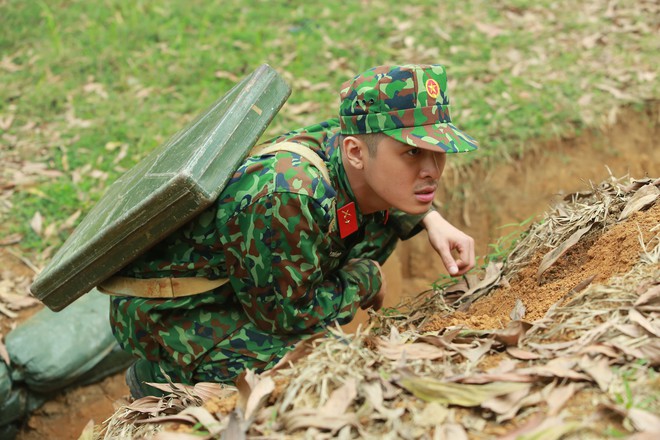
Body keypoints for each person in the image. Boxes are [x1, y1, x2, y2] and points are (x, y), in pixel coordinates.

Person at [107, 64, 478, 398]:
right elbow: (284, 316)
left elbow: (380, 174)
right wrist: (366, 278)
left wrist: (431, 218)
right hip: (174, 310)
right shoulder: (288, 195)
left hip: (249, 280)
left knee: (380, 225)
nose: (431, 169)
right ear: (355, 152)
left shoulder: (354, 138)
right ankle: (161, 374)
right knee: (305, 376)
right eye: (412, 153)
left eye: (437, 151)